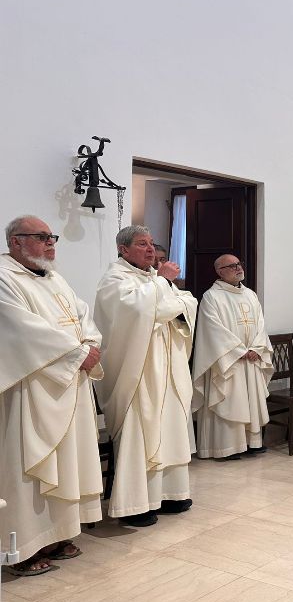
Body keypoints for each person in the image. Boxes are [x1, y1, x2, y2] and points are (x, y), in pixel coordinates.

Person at [0, 216, 103, 576]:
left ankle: (57, 535)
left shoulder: (55, 278)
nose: (50, 244)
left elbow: (83, 315)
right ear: (16, 241)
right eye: (41, 237)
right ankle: (22, 548)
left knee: (66, 462)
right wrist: (78, 354)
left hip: (68, 384)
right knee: (28, 463)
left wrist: (90, 343)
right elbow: (20, 329)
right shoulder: (4, 278)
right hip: (31, 389)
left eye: (51, 237)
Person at [94, 225, 198, 527]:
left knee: (170, 429)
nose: (151, 249)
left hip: (167, 368)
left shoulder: (153, 279)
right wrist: (164, 288)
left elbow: (187, 302)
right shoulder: (114, 280)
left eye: (152, 243)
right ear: (123, 250)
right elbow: (135, 313)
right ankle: (136, 504)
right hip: (138, 372)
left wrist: (163, 300)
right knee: (142, 431)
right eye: (142, 244)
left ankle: (170, 494)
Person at [192, 255, 272, 459]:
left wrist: (256, 347)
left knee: (249, 400)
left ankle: (251, 443)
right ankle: (224, 448)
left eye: (239, 264)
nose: (237, 268)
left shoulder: (250, 295)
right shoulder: (212, 296)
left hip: (251, 358)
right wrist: (239, 351)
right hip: (228, 361)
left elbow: (261, 325)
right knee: (229, 400)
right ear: (219, 271)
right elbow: (213, 330)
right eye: (231, 266)